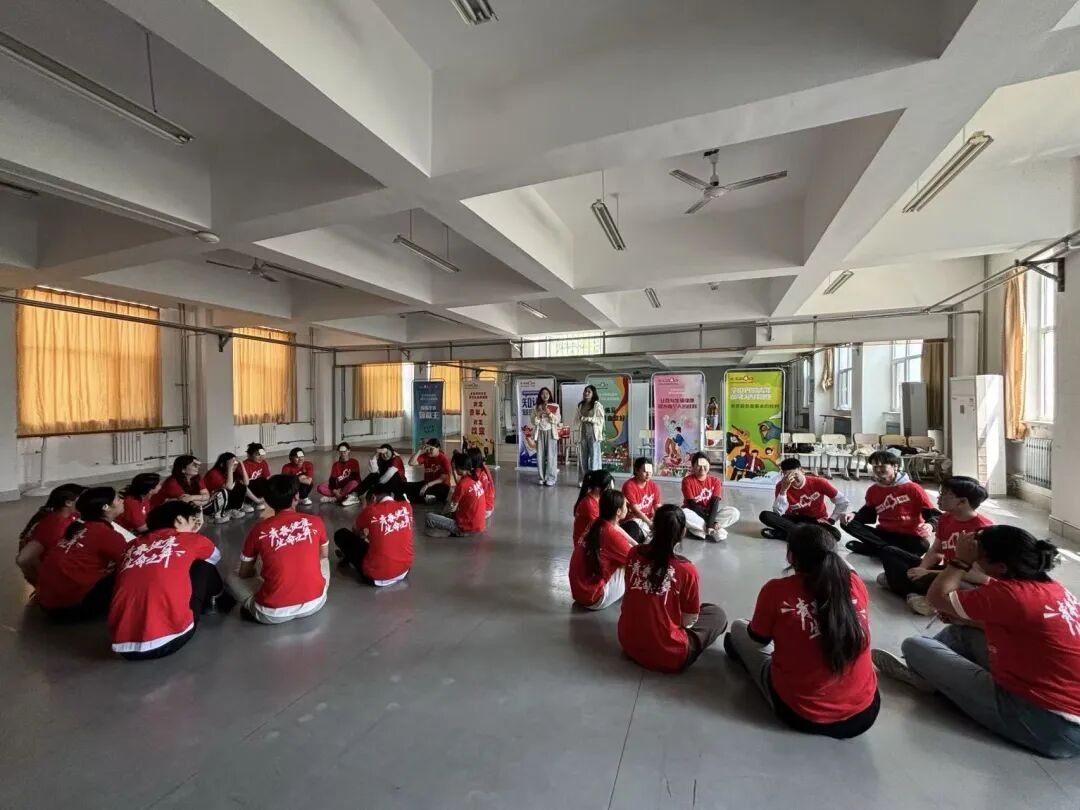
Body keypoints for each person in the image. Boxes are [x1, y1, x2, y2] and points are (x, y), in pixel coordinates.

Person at [873, 526, 1080, 759]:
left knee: (914, 645)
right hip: (1065, 705)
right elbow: (1019, 629)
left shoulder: (1011, 594)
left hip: (1046, 722)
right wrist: (963, 619)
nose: (974, 559)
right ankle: (925, 672)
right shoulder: (1052, 588)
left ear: (1000, 567)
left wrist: (960, 561)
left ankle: (924, 672)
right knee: (961, 632)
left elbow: (936, 598)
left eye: (978, 554)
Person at [725, 524, 880, 738]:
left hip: (802, 714)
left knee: (739, 629)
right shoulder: (854, 583)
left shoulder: (776, 591)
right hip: (864, 713)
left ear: (791, 557)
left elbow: (758, 639)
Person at [108, 501, 232, 661]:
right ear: (180, 520)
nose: (195, 524)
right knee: (203, 564)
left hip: (123, 648)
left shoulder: (132, 545)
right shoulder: (191, 539)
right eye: (192, 520)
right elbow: (215, 557)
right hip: (170, 640)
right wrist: (193, 536)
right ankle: (221, 601)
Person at [618, 505, 728, 672]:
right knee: (717, 614)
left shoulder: (634, 553)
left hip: (629, 642)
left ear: (652, 527)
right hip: (669, 655)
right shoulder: (687, 570)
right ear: (683, 532)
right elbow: (688, 620)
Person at [877, 476, 993, 615]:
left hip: (965, 580)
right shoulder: (945, 518)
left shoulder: (983, 529)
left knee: (954, 586)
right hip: (946, 571)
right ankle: (921, 596)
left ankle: (914, 593)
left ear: (962, 502)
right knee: (889, 552)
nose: (939, 498)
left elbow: (980, 577)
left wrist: (928, 573)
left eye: (944, 494)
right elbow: (936, 551)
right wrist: (921, 568)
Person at [227, 475, 330, 624]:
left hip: (272, 614)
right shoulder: (316, 521)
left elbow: (244, 573)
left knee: (232, 577)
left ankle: (253, 607)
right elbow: (323, 555)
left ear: (268, 500)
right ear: (296, 497)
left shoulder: (259, 530)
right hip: (315, 603)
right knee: (324, 559)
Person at [33, 487, 130, 621]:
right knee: (132, 570)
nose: (122, 501)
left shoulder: (78, 527)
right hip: (68, 608)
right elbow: (131, 560)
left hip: (48, 603)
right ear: (106, 507)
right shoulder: (106, 534)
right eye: (118, 499)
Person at [840, 449, 938, 557]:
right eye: (875, 467)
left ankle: (875, 549)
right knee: (847, 523)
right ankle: (888, 550)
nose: (878, 470)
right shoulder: (873, 490)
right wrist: (853, 515)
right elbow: (868, 515)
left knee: (922, 545)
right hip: (884, 534)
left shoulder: (913, 488)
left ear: (895, 467)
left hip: (909, 536)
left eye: (882, 466)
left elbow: (934, 515)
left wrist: (930, 525)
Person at [334, 480, 413, 586]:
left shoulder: (371, 510)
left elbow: (355, 531)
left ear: (373, 498)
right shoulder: (407, 507)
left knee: (341, 534)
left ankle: (347, 556)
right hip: (404, 570)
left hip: (376, 577)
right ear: (391, 495)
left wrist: (365, 508)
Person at [569, 489, 634, 610]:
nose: (628, 508)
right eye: (626, 505)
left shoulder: (596, 523)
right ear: (618, 511)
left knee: (619, 555)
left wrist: (634, 543)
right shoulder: (612, 536)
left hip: (579, 592)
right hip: (594, 598)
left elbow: (616, 527)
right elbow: (637, 559)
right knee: (633, 563)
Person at [760, 458, 849, 542]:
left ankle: (783, 535)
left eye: (794, 474)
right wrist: (783, 490)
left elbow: (842, 501)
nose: (792, 479)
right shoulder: (781, 485)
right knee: (765, 515)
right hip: (794, 519)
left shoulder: (819, 482)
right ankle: (807, 537)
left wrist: (831, 520)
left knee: (835, 534)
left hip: (816, 520)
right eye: (786, 475)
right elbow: (778, 512)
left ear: (802, 471)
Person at [15, 483, 86, 586]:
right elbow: (23, 559)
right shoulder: (54, 526)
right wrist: (44, 582)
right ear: (68, 503)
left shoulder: (68, 514)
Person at [574, 469, 646, 545]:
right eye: (608, 488)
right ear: (597, 488)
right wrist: (631, 543)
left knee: (633, 526)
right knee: (627, 539)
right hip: (591, 544)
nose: (611, 491)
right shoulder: (590, 505)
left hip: (601, 532)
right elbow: (608, 527)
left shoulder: (600, 498)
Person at [681, 452, 741, 542]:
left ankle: (700, 531)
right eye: (698, 465)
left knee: (734, 512)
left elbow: (715, 504)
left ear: (709, 465)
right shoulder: (687, 481)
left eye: (705, 465)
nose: (702, 468)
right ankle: (713, 529)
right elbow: (692, 505)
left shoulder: (716, 481)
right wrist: (712, 523)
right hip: (694, 513)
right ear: (693, 466)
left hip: (710, 514)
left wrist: (710, 522)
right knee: (682, 513)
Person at [425, 451, 486, 537]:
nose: (453, 470)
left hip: (465, 528)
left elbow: (451, 507)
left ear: (459, 467)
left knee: (429, 517)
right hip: (479, 526)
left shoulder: (463, 484)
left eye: (454, 467)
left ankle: (449, 531)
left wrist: (442, 514)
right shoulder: (475, 479)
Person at [204, 452, 251, 524]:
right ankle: (218, 515)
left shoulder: (232, 472)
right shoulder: (214, 473)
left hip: (223, 501)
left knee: (241, 486)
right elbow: (229, 487)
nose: (234, 466)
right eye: (232, 464)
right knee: (225, 490)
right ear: (222, 464)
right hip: (211, 504)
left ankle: (233, 509)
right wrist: (230, 468)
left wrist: (242, 464)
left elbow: (246, 483)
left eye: (235, 464)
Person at [622, 457, 662, 536]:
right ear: (637, 470)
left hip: (648, 519)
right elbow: (636, 510)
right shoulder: (629, 486)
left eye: (650, 471)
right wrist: (650, 524)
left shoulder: (653, 485)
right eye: (645, 471)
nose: (648, 474)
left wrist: (663, 517)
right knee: (637, 532)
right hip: (633, 520)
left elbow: (657, 506)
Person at [574, 385, 605, 483]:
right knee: (583, 457)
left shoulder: (597, 405)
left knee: (594, 457)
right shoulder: (580, 405)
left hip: (593, 434)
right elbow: (576, 419)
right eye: (585, 391)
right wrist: (579, 420)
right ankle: (583, 480)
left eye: (589, 391)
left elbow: (601, 420)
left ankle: (594, 481)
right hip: (583, 433)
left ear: (593, 393)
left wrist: (588, 419)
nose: (586, 393)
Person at [406, 439, 452, 504]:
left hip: (441, 486)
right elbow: (411, 463)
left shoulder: (444, 459)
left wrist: (427, 485)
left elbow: (442, 478)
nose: (429, 451)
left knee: (422, 493)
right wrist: (420, 450)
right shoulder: (426, 456)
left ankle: (427, 498)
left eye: (431, 449)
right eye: (427, 449)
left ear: (438, 448)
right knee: (407, 486)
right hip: (427, 483)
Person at [533, 386, 561, 487]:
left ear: (549, 395)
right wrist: (539, 414)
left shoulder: (555, 406)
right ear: (540, 396)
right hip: (540, 432)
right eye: (542, 394)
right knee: (540, 456)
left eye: (547, 393)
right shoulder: (536, 407)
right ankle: (542, 478)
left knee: (551, 456)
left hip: (551, 432)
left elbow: (557, 420)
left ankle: (551, 478)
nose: (545, 395)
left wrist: (549, 413)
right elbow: (533, 421)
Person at [468, 446, 496, 520]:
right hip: (489, 506)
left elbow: (468, 493)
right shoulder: (483, 467)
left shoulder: (476, 475)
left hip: (484, 510)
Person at [242, 443, 271, 510]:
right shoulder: (244, 465)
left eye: (261, 454)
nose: (261, 457)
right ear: (249, 455)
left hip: (255, 489)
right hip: (246, 490)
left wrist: (265, 497)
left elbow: (267, 479)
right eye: (257, 455)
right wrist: (257, 500)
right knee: (253, 482)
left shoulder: (263, 463)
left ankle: (257, 501)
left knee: (262, 481)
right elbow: (243, 486)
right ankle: (246, 503)